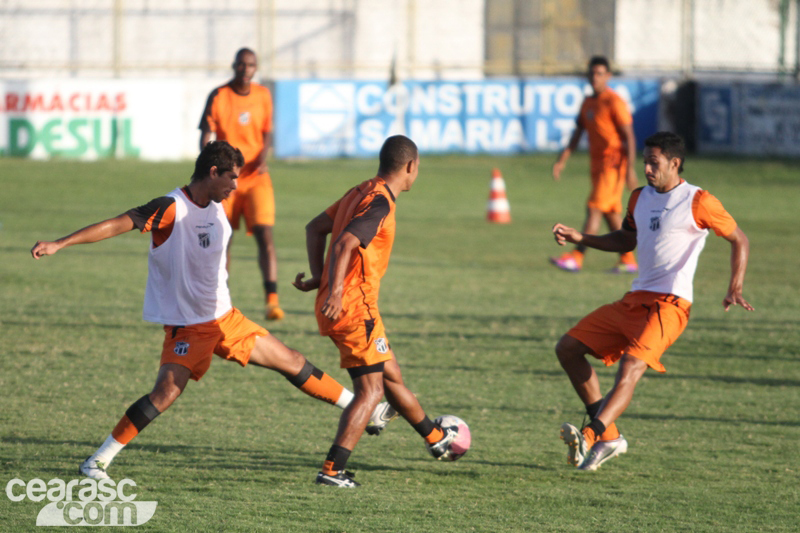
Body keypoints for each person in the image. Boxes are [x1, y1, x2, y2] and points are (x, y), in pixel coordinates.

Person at [31, 141, 392, 480]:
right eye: (232, 177)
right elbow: (117, 223)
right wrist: (60, 243)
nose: (236, 185)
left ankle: (367, 409)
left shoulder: (217, 210)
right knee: (166, 393)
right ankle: (97, 461)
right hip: (189, 327)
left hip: (226, 319)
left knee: (292, 360)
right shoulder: (171, 207)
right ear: (214, 171)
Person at [552, 131, 753, 471]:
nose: (646, 168)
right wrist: (581, 237)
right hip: (635, 299)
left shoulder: (698, 200)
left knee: (631, 366)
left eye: (653, 162)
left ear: (675, 163)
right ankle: (610, 436)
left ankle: (590, 434)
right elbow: (626, 239)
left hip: (671, 305)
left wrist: (735, 286)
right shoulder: (638, 198)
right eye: (644, 161)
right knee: (567, 348)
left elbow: (739, 238)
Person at [293, 135, 456, 487]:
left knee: (390, 372)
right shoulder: (380, 203)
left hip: (351, 305)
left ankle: (435, 437)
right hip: (353, 308)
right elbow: (344, 242)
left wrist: (320, 278)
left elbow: (314, 228)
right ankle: (332, 471)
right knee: (371, 391)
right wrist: (334, 289)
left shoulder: (360, 190)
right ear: (411, 167)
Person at [199, 47, 284, 320]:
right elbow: (206, 133)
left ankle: (272, 301)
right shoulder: (220, 96)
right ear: (234, 65)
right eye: (241, 64)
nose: (245, 69)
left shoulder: (263, 95)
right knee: (223, 239)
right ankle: (218, 297)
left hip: (256, 179)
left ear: (255, 68)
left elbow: (267, 131)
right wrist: (207, 166)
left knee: (265, 236)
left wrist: (263, 155)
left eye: (251, 65)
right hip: (227, 179)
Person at [551, 55, 639, 273]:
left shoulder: (614, 101)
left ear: (608, 76)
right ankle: (628, 259)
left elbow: (629, 136)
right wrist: (562, 160)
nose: (595, 77)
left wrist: (629, 169)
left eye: (600, 73)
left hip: (613, 165)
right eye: (592, 73)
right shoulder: (588, 102)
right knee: (610, 212)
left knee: (594, 209)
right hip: (597, 166)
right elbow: (578, 132)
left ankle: (576, 257)